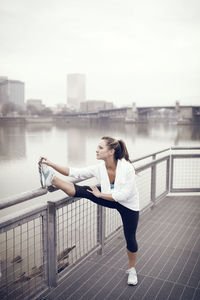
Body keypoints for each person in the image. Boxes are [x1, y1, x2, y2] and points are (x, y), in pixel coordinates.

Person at [39, 136, 139, 285]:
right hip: (108, 196)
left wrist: (100, 195)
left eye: (100, 148)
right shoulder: (100, 168)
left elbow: (124, 195)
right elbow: (74, 172)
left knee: (130, 238)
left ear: (111, 151)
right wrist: (50, 163)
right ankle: (52, 179)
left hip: (128, 205)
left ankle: (132, 269)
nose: (96, 150)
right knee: (82, 190)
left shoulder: (127, 168)